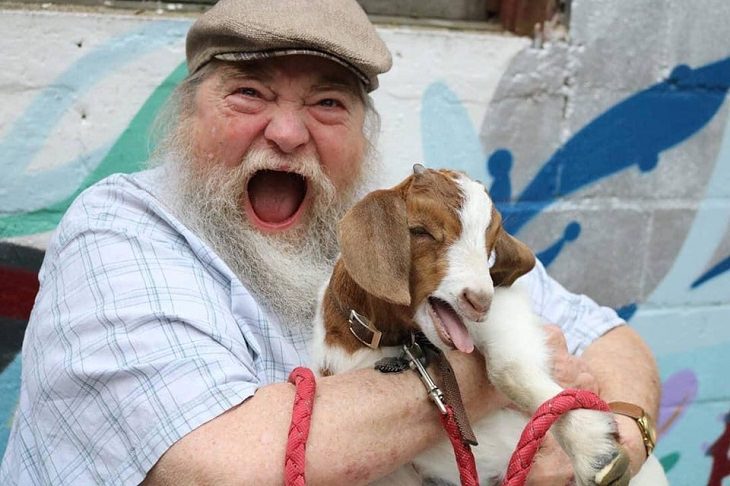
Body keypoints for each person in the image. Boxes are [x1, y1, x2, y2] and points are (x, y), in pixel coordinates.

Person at [0, 1, 663, 484]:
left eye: (327, 105)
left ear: (363, 135)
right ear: (188, 112)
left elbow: (609, 340)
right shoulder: (119, 232)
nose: (287, 133)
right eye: (250, 93)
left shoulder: (401, 228)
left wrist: (619, 447)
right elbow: (224, 465)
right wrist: (493, 375)